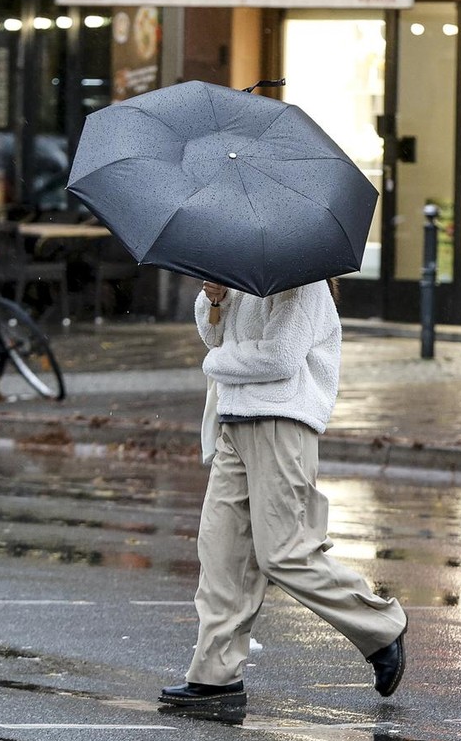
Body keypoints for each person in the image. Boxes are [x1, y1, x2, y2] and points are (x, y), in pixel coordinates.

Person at [160, 279, 409, 708]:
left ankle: (380, 627)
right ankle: (216, 676)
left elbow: (279, 357)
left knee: (284, 551)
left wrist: (214, 362)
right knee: (222, 554)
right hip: (233, 422)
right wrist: (216, 300)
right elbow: (216, 335)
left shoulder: (302, 284)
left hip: (280, 421)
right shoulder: (245, 279)